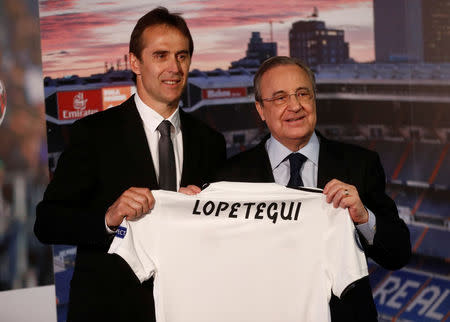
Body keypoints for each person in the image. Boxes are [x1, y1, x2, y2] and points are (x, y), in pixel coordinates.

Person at [34, 7, 226, 322]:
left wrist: (207, 211)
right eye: (161, 55)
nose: (174, 68)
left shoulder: (211, 141)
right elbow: (47, 222)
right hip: (111, 309)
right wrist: (108, 218)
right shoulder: (93, 134)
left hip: (189, 307)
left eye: (182, 56)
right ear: (134, 62)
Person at [214, 56, 411, 321]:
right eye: (280, 98)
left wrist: (364, 217)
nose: (295, 106)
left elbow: (398, 254)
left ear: (314, 99)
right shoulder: (230, 177)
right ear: (261, 109)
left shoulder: (360, 164)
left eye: (303, 94)